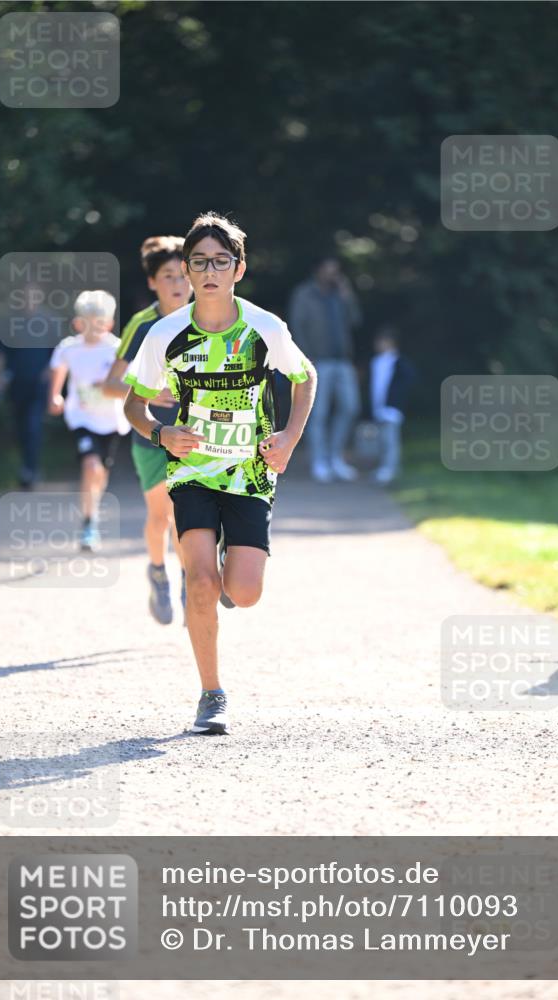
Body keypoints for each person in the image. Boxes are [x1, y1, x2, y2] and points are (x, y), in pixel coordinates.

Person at [123, 212, 317, 736]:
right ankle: (212, 694)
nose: (210, 271)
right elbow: (134, 407)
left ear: (239, 268)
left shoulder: (265, 328)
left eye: (221, 261)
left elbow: (306, 377)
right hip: (191, 472)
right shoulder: (165, 333)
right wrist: (160, 434)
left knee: (245, 592)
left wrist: (291, 437)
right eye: (200, 262)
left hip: (251, 473)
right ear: (186, 270)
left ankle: (234, 561)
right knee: (202, 583)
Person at [102, 236, 191, 625]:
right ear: (153, 282)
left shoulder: (210, 316)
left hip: (198, 435)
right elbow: (109, 384)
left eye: (183, 275)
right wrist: (152, 392)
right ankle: (159, 572)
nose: (178, 284)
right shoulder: (142, 324)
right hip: (152, 434)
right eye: (168, 276)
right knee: (164, 515)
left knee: (195, 513)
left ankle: (192, 576)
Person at [47, 290, 130, 551]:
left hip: (111, 420)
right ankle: (88, 523)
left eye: (99, 322)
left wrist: (109, 386)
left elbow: (129, 382)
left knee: (101, 472)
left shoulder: (118, 348)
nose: (92, 328)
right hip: (81, 416)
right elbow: (58, 370)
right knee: (91, 466)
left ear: (109, 323)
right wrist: (55, 396)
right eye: (86, 322)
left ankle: (92, 509)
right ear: (77, 322)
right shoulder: (69, 348)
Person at [288, 257, 362, 483]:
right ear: (318, 271)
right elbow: (296, 325)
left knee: (350, 408)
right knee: (317, 413)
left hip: (342, 360)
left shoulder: (339, 294)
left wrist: (347, 296)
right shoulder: (304, 294)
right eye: (329, 270)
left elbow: (356, 320)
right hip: (317, 361)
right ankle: (319, 462)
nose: (332, 275)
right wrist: (304, 359)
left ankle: (335, 457)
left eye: (335, 271)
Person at [0, 284, 54, 489]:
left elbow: (58, 353)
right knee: (20, 428)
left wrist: (50, 375)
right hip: (16, 384)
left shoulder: (49, 321)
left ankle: (30, 470)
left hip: (39, 385)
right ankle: (28, 466)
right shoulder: (10, 322)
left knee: (33, 426)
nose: (29, 299)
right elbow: (0, 354)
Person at [369, 326, 415, 484]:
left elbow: (405, 383)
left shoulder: (400, 362)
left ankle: (391, 468)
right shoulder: (376, 362)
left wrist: (396, 399)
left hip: (392, 408)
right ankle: (385, 466)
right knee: (382, 439)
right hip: (379, 407)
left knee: (390, 439)